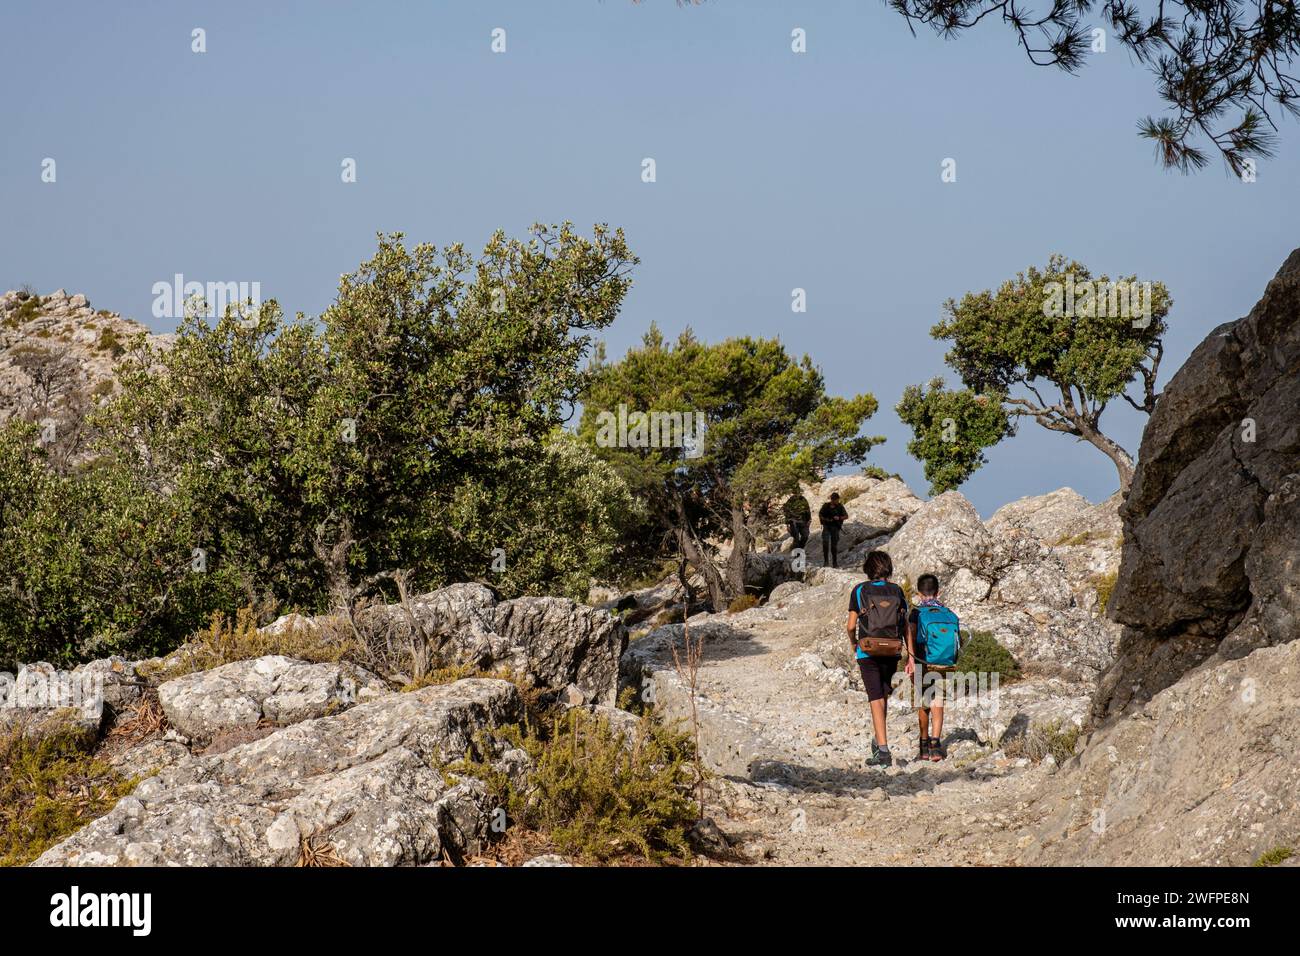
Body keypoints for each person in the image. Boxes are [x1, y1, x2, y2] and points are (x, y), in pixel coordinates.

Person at [846, 550, 910, 767]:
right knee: (883, 694)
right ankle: (878, 739)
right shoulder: (897, 591)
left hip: (868, 649)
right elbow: (905, 624)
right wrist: (910, 654)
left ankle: (883, 751)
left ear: (868, 569)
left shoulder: (859, 590)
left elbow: (851, 625)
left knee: (875, 697)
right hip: (892, 650)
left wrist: (854, 643)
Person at [905, 573, 959, 762]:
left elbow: (910, 634)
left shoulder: (917, 612)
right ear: (938, 592)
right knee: (938, 699)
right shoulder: (949, 613)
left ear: (919, 594)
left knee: (924, 700)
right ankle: (936, 746)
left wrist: (910, 659)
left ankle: (923, 747)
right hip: (945, 662)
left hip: (923, 661)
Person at [818, 492, 848, 568]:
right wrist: (825, 519)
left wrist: (839, 518)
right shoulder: (826, 506)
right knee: (825, 543)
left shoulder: (840, 506)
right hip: (827, 526)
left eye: (837, 500)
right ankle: (826, 562)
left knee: (834, 546)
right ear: (832, 499)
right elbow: (820, 514)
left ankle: (835, 562)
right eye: (835, 500)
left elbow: (846, 516)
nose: (837, 501)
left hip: (835, 527)